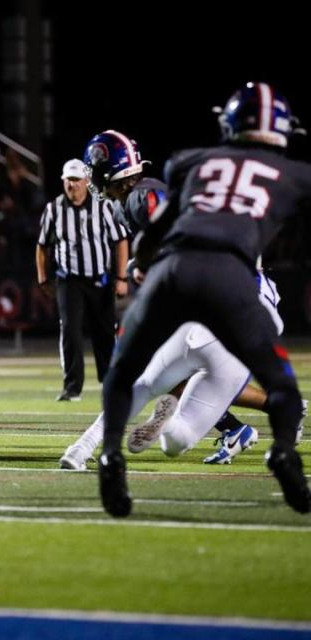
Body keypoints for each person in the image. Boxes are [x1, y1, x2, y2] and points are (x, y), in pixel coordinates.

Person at [98, 82, 311, 517]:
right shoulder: (295, 173)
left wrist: (140, 266)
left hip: (173, 274)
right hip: (232, 279)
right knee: (282, 384)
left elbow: (158, 227)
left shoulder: (190, 161)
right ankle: (284, 451)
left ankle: (111, 457)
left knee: (122, 372)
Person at [60, 270, 299, 470]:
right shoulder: (257, 285)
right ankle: (169, 423)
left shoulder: (204, 258)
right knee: (175, 443)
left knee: (141, 386)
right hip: (234, 352)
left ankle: (80, 448)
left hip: (197, 328)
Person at [36, 158, 128, 401]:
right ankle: (72, 386)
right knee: (70, 330)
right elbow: (42, 246)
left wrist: (121, 277)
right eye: (68, 180)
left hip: (100, 278)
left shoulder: (104, 207)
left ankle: (109, 381)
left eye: (76, 180)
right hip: (69, 279)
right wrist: (43, 277)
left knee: (105, 332)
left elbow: (121, 239)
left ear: (87, 181)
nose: (72, 185)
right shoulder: (54, 208)